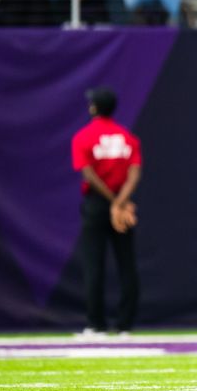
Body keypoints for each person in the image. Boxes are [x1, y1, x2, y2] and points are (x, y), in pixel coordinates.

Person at [71, 88, 142, 338]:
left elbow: (88, 172)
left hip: (97, 204)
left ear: (93, 108)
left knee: (94, 264)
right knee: (126, 264)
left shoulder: (83, 137)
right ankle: (124, 324)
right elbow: (134, 172)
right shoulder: (127, 137)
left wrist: (112, 201)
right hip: (122, 204)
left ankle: (96, 324)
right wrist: (121, 202)